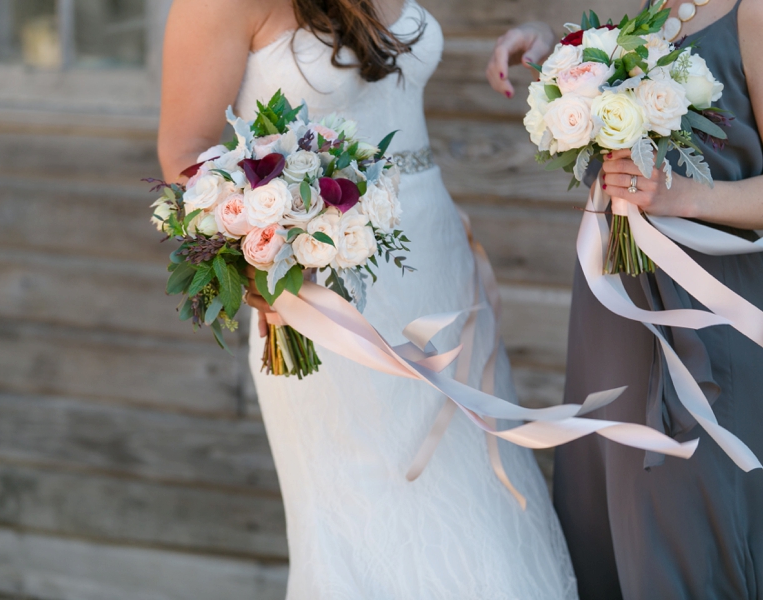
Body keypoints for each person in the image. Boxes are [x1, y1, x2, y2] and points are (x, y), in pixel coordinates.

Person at [159, 0, 578, 597]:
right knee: (360, 505)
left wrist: (540, 36)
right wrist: (259, 256)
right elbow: (185, 156)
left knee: (477, 486)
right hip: (320, 283)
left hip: (435, 259)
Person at [487, 1, 763, 598]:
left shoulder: (753, 14)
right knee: (605, 515)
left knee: (684, 523)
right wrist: (550, 51)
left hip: (707, 320)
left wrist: (683, 195)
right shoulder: (648, 8)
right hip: (613, 313)